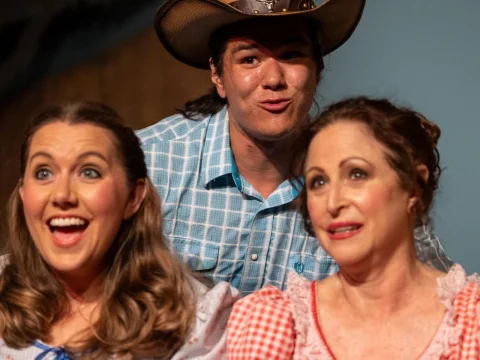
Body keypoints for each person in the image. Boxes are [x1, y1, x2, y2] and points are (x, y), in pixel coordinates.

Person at [137, 0, 452, 296]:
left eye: (290, 55)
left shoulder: (362, 184)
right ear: (218, 76)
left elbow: (436, 294)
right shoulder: (149, 164)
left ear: (318, 69)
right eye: (250, 59)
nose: (273, 78)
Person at [227, 97, 480, 359]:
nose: (333, 203)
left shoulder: (471, 321)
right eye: (318, 182)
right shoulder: (274, 324)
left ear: (413, 187)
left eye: (357, 174)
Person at [0, 101, 239, 359]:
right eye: (44, 172)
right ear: (24, 193)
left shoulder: (193, 319)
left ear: (133, 197)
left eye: (89, 172)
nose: (62, 195)